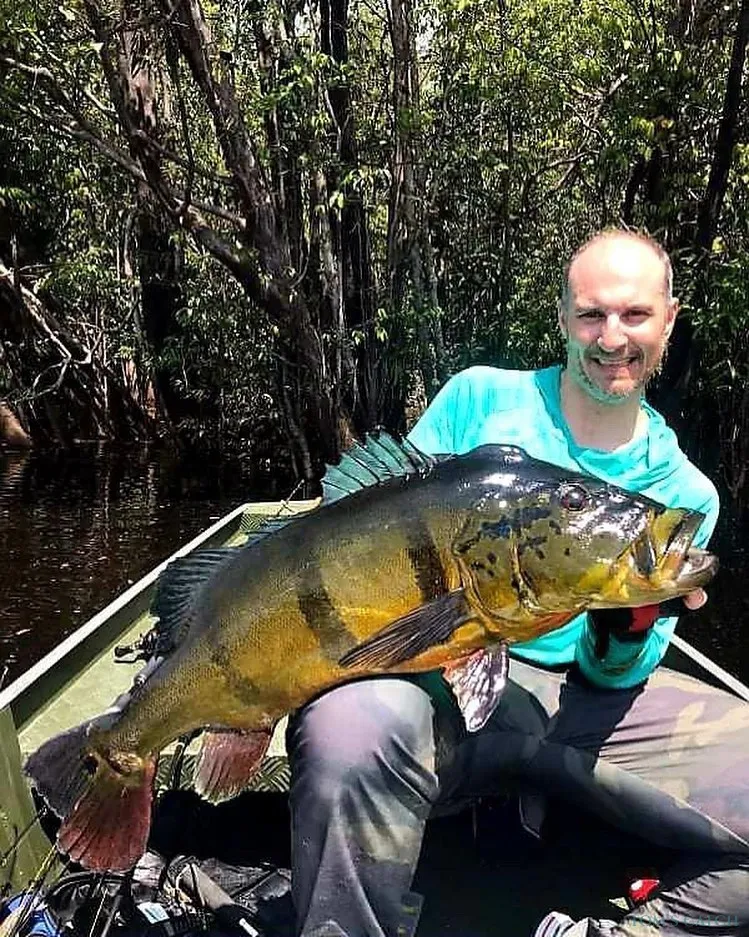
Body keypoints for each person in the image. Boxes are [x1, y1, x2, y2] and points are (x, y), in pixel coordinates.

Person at [286, 230, 749, 937]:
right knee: (349, 728)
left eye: (634, 314)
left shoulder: (683, 497)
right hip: (436, 674)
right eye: (591, 314)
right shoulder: (479, 400)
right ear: (562, 318)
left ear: (668, 320)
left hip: (588, 708)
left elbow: (612, 675)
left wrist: (622, 626)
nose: (612, 337)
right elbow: (373, 537)